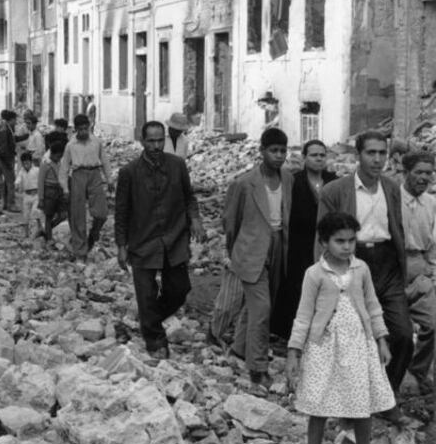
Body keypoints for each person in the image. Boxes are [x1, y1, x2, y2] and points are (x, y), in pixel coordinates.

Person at [286, 212, 394, 444]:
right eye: (339, 241)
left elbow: (372, 305)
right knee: (319, 406)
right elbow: (303, 314)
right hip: (324, 346)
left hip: (359, 344)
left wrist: (381, 339)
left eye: (351, 241)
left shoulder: (361, 270)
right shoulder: (314, 274)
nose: (346, 247)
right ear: (324, 242)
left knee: (363, 405)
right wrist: (294, 351)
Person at [318, 131, 412, 420]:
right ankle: (353, 402)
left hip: (387, 265)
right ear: (357, 155)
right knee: (354, 335)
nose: (377, 159)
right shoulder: (335, 191)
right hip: (353, 263)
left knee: (403, 335)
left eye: (382, 153)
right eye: (371, 153)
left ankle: (388, 395)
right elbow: (322, 236)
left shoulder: (392, 188)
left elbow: (396, 227)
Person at [115, 121, 205, 360]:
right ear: (142, 141)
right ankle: (155, 341)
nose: (155, 145)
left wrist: (195, 219)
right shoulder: (129, 172)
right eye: (150, 141)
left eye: (159, 140)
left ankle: (148, 321)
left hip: (174, 238)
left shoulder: (177, 166)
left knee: (179, 289)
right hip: (142, 242)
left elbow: (189, 197)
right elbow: (121, 212)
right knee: (145, 294)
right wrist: (121, 246)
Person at [223, 127, 294, 386]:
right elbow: (231, 223)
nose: (278, 156)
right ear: (262, 151)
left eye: (283, 151)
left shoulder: (288, 179)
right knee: (262, 308)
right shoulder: (244, 183)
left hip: (278, 247)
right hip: (251, 249)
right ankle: (258, 367)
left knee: (257, 305)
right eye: (273, 150)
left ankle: (240, 348)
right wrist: (236, 252)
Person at [273, 139, 338, 339]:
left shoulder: (333, 180)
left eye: (322, 155)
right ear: (304, 158)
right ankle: (291, 333)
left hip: (327, 244)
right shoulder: (295, 181)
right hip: (299, 243)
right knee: (298, 286)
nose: (318, 159)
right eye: (313, 155)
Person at [400, 151, 436, 395]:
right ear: (406, 173)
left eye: (428, 173)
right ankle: (389, 379)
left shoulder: (432, 203)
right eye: (419, 172)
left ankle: (419, 371)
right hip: (393, 267)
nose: (424, 178)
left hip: (421, 264)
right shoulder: (392, 197)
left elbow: (433, 243)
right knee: (396, 331)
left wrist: (432, 272)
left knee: (432, 323)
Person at [59, 113, 112, 261]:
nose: (83, 132)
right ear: (75, 129)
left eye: (85, 129)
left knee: (101, 213)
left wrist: (109, 179)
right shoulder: (70, 145)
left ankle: (93, 235)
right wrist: (65, 188)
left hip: (94, 174)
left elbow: (105, 161)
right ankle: (80, 252)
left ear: (89, 128)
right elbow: (63, 168)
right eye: (80, 129)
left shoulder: (96, 142)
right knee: (78, 216)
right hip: (78, 175)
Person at [38, 139, 68, 243]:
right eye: (58, 156)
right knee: (49, 215)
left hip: (59, 190)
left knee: (63, 215)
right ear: (53, 154)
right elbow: (40, 182)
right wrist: (41, 198)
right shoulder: (45, 164)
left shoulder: (59, 163)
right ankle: (49, 238)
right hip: (49, 191)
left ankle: (47, 229)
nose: (59, 158)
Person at [0, 111, 19, 212]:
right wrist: (7, 161)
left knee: (7, 182)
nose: (16, 122)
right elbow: (3, 147)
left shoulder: (5, 128)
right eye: (15, 120)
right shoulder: (5, 129)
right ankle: (11, 204)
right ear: (11, 119)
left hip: (6, 158)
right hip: (6, 159)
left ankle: (5, 203)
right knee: (11, 182)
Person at [15, 151, 40, 239]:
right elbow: (18, 179)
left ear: (31, 162)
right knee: (25, 215)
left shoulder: (37, 170)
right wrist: (17, 184)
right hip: (26, 195)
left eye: (27, 162)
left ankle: (39, 228)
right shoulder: (22, 171)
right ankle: (26, 233)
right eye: (24, 163)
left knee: (35, 212)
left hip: (36, 194)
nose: (26, 164)